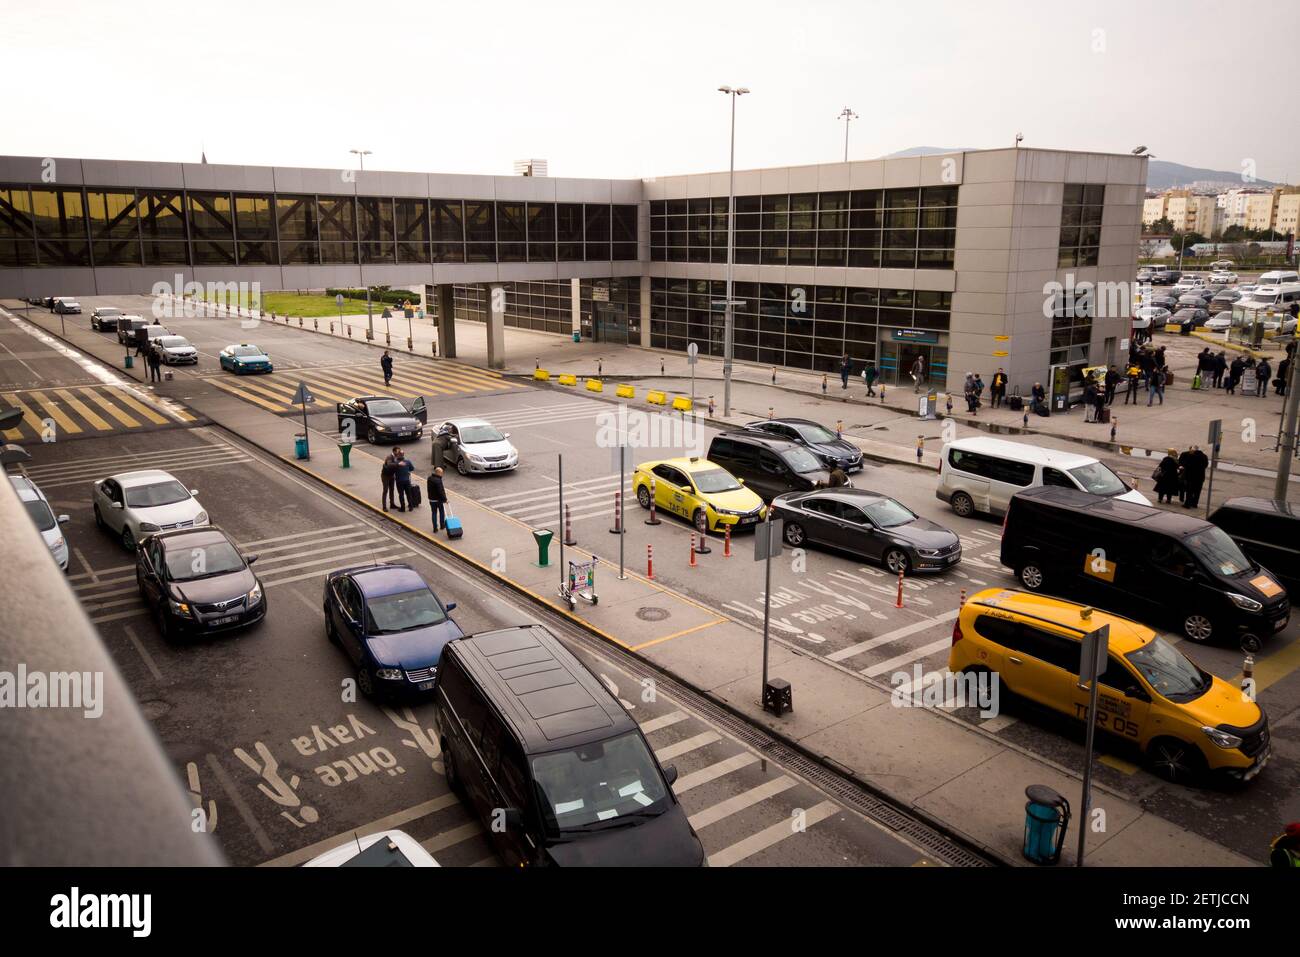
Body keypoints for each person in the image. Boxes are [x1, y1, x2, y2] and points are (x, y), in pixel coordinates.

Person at [1181, 444, 1209, 509]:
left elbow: (1187, 465)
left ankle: (1187, 504)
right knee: (1197, 492)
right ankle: (1195, 504)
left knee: (1189, 491)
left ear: (1193, 450)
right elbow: (1206, 465)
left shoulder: (1191, 456)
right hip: (1200, 477)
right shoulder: (1204, 456)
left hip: (1191, 477)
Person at [392, 447, 414, 511]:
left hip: (399, 481)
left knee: (401, 494)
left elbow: (392, 470)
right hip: (407, 480)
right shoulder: (407, 461)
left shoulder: (396, 463)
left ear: (398, 455)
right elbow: (412, 468)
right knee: (408, 494)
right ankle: (411, 506)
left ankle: (403, 508)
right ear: (403, 455)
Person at [426, 466, 448, 530]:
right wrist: (445, 499)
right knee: (441, 512)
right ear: (438, 473)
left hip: (431, 499)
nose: (442, 474)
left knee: (434, 513)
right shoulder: (438, 481)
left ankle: (435, 527)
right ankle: (442, 525)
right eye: (441, 473)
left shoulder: (429, 478)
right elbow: (441, 491)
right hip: (438, 500)